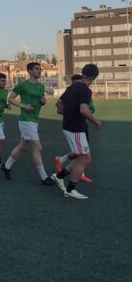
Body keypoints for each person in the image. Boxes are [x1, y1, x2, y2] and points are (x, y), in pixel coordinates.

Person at [51, 64, 101, 199]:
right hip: (76, 129)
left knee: (80, 156)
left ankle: (59, 176)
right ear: (95, 77)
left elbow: (58, 104)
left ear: (83, 73)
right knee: (85, 158)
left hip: (68, 126)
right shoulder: (85, 89)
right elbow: (84, 110)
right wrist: (96, 121)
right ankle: (70, 190)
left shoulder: (71, 87)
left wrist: (68, 113)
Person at [1, 62, 55, 186]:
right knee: (38, 148)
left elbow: (41, 101)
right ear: (30, 71)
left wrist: (43, 101)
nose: (39, 71)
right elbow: (10, 99)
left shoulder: (41, 86)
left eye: (40, 69)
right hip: (26, 120)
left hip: (34, 120)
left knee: (22, 146)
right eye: (36, 69)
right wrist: (24, 106)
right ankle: (43, 177)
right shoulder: (23, 85)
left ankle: (7, 166)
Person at [54, 74, 94, 183]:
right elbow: (59, 107)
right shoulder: (74, 91)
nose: (77, 85)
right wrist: (96, 122)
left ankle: (61, 163)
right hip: (76, 126)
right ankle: (73, 181)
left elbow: (88, 108)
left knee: (81, 152)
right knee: (83, 154)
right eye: (75, 83)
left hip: (82, 124)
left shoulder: (83, 92)